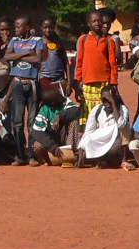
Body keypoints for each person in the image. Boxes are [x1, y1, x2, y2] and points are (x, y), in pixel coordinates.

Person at [4, 17, 45, 164]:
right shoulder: (14, 40)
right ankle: (20, 155)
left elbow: (38, 58)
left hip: (32, 84)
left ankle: (32, 155)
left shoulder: (37, 40)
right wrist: (26, 53)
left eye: (18, 26)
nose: (16, 29)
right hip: (17, 85)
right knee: (17, 122)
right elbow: (7, 56)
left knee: (32, 122)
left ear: (27, 27)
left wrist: (18, 57)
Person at [72, 10, 119, 120]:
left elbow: (113, 64)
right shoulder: (83, 39)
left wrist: (114, 83)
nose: (97, 23)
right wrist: (78, 82)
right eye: (94, 21)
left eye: (99, 21)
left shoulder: (109, 40)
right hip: (88, 84)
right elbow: (79, 62)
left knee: (104, 113)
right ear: (89, 23)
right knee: (89, 114)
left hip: (104, 83)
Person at [74, 83, 130, 168]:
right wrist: (81, 149)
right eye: (104, 100)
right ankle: (102, 159)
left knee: (125, 127)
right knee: (88, 141)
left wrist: (113, 103)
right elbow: (88, 131)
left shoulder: (123, 109)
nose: (107, 103)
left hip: (117, 142)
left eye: (109, 100)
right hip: (101, 140)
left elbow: (121, 124)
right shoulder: (97, 109)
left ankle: (124, 159)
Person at [29, 83, 81, 166]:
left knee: (73, 120)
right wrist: (52, 146)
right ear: (53, 102)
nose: (62, 96)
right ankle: (51, 160)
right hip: (52, 140)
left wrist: (60, 116)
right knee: (37, 146)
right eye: (59, 96)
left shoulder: (66, 101)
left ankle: (69, 155)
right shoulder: (44, 110)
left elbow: (76, 111)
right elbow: (36, 132)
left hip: (65, 137)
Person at [37, 17, 68, 95]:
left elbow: (65, 62)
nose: (48, 30)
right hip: (44, 80)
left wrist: (69, 82)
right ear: (41, 28)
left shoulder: (59, 43)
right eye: (45, 27)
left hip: (59, 80)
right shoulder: (38, 43)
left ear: (54, 27)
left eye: (50, 27)